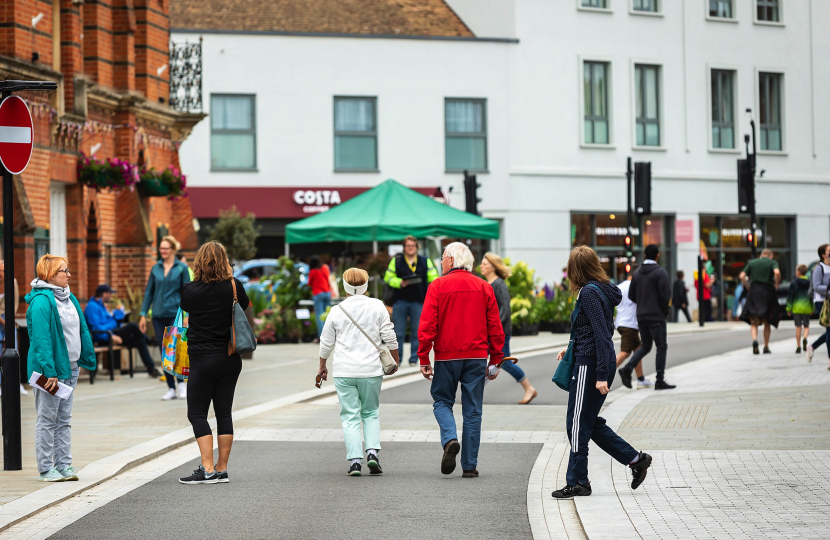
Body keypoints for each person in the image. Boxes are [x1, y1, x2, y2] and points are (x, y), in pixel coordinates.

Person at [551, 246, 651, 499]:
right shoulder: (601, 290)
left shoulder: (588, 293)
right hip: (589, 360)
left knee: (576, 425)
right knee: (589, 424)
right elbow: (594, 330)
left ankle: (578, 482)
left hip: (591, 366)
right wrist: (571, 350)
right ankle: (635, 459)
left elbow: (601, 335)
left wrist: (601, 376)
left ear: (576, 270)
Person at [418, 242, 504, 478]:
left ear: (452, 260)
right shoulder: (484, 287)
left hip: (447, 356)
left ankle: (450, 439)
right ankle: (469, 466)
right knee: (473, 410)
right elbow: (495, 327)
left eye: (444, 258)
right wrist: (496, 359)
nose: (442, 262)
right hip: (476, 356)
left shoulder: (437, 286)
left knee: (442, 401)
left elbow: (427, 325)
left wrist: (424, 356)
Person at [178, 242, 249, 485]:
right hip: (230, 357)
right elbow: (244, 306)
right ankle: (221, 468)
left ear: (199, 263)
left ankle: (207, 469)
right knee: (224, 413)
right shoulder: (234, 285)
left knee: (197, 413)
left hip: (202, 359)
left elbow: (185, 309)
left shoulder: (190, 290)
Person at [318, 268, 399, 476]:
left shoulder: (337, 310)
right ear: (366, 285)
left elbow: (326, 342)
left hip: (344, 371)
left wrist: (322, 366)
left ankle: (355, 462)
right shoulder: (377, 306)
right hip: (371, 370)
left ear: (345, 286)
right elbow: (389, 336)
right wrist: (395, 361)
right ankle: (372, 453)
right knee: (370, 412)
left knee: (349, 416)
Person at [26, 255, 97, 482]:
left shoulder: (68, 297)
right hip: (51, 372)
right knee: (47, 419)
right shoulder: (41, 302)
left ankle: (64, 465)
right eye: (63, 271)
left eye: (67, 270)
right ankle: (46, 469)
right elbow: (41, 340)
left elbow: (81, 330)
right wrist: (50, 372)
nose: (68, 274)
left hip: (71, 367)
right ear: (49, 275)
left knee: (64, 419)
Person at [480, 252, 537, 404]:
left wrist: (494, 329)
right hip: (490, 332)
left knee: (503, 362)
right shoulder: (487, 284)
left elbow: (505, 309)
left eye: (484, 264)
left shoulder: (499, 284)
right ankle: (473, 393)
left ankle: (529, 388)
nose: (481, 266)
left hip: (500, 332)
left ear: (493, 266)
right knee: (480, 361)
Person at [139, 235, 191, 400]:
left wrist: (187, 315)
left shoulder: (181, 268)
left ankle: (181, 384)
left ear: (173, 250)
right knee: (165, 352)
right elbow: (149, 293)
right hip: (158, 315)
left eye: (165, 248)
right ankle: (171, 388)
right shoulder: (156, 268)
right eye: (161, 248)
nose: (162, 251)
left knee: (176, 349)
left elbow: (188, 293)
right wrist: (142, 314)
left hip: (175, 314)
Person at [619, 244, 675, 390]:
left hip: (641, 316)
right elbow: (665, 296)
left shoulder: (637, 274)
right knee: (661, 346)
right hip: (656, 316)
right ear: (657, 256)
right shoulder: (660, 272)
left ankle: (628, 368)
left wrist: (643, 303)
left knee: (646, 345)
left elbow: (632, 295)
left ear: (644, 255)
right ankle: (659, 380)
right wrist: (665, 312)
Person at [84, 284, 161, 377]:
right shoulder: (92, 307)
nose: (111, 296)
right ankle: (150, 341)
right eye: (110, 294)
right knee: (133, 326)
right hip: (104, 337)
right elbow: (97, 328)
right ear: (104, 294)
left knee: (139, 341)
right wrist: (112, 335)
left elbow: (110, 322)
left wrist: (118, 316)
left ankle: (151, 370)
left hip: (110, 333)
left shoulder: (102, 306)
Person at [384, 236, 439, 365]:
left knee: (417, 331)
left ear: (416, 247)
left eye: (412, 246)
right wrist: (399, 282)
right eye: (408, 246)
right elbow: (388, 277)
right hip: (400, 301)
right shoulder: (396, 261)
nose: (410, 248)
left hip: (419, 301)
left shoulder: (425, 261)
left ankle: (414, 358)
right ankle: (398, 359)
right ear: (404, 247)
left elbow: (434, 278)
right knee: (398, 332)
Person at [739, 249, 781, 354]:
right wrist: (777, 283)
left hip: (754, 292)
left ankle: (754, 340)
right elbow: (777, 272)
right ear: (770, 256)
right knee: (767, 321)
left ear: (761, 256)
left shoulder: (752, 263)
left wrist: (748, 286)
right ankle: (766, 346)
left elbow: (742, 276)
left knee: (754, 322)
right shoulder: (772, 262)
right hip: (768, 292)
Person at [615, 269, 651, 388]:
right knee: (625, 353)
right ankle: (601, 376)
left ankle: (640, 379)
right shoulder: (637, 287)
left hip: (621, 322)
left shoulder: (619, 287)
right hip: (630, 324)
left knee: (638, 350)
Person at [0, 259, 26, 396]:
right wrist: (4, 322)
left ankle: (17, 383)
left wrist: (9, 320)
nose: (1, 273)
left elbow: (14, 303)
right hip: (2, 319)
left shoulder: (12, 282)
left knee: (14, 350)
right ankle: (0, 384)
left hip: (8, 317)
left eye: (3, 270)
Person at [806, 244, 830, 363]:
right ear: (824, 255)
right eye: (829, 251)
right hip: (822, 302)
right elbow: (816, 287)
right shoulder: (819, 268)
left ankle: (812, 347)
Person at [786, 264, 813, 355]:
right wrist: (812, 308)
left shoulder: (794, 283)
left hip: (796, 307)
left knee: (798, 326)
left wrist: (788, 308)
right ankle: (805, 338)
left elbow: (790, 296)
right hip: (806, 307)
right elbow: (811, 296)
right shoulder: (809, 282)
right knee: (806, 325)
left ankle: (798, 346)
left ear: (798, 272)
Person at [308, 256, 332, 341]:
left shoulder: (313, 271)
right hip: (327, 293)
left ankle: (321, 337)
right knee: (328, 315)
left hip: (318, 293)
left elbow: (309, 283)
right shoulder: (324, 268)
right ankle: (330, 336)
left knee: (319, 315)